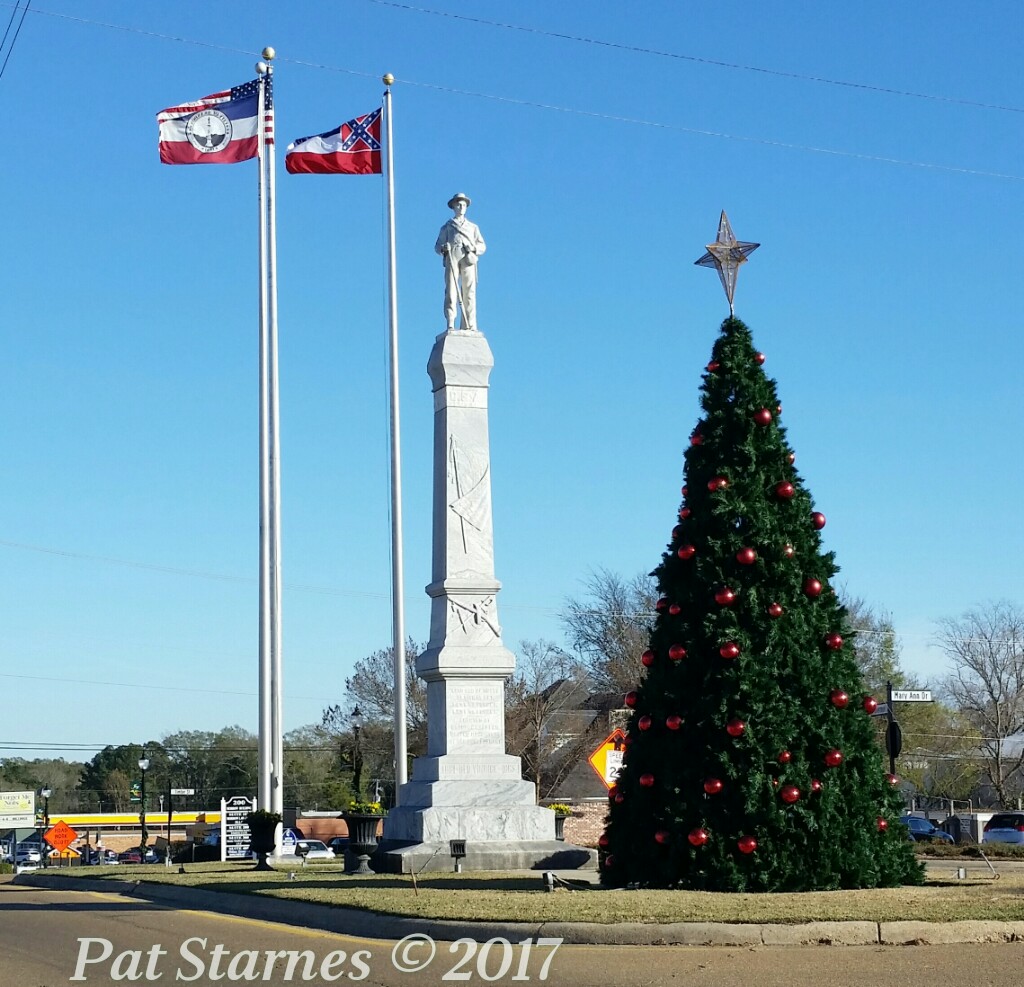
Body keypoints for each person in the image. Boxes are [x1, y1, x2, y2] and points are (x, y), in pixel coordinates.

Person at [435, 192, 486, 331]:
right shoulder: (447, 226)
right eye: (458, 204)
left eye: (463, 204)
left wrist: (474, 248)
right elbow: (437, 246)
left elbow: (482, 246)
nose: (461, 207)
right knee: (451, 291)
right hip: (452, 257)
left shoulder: (473, 227)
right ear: (453, 206)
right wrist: (443, 248)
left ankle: (469, 324)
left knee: (469, 292)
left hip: (468, 259)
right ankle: (450, 321)